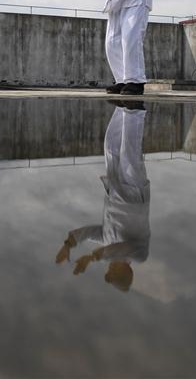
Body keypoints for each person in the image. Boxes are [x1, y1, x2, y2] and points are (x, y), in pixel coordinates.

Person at [55, 101, 150, 292]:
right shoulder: (140, 254)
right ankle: (135, 104)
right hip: (133, 197)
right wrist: (93, 257)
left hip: (114, 191)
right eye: (111, 274)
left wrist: (69, 244)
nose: (108, 269)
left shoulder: (107, 243)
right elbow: (120, 249)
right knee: (128, 151)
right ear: (121, 272)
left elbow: (91, 233)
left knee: (110, 146)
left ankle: (123, 105)